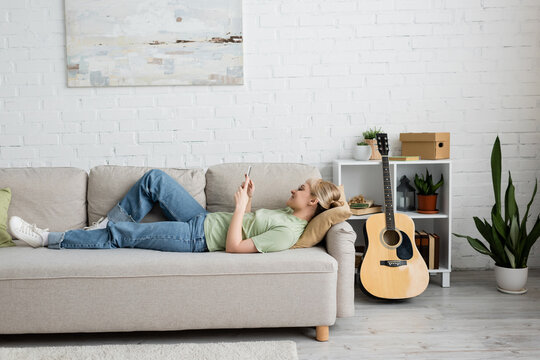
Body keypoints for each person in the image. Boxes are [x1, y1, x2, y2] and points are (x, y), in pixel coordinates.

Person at [9, 169, 343, 253]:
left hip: (197, 238)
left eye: (301, 189)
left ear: (312, 202)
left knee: (126, 235)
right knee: (155, 179)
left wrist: (240, 208)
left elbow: (233, 248)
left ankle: (48, 238)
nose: (293, 189)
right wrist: (249, 202)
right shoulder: (286, 216)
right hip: (202, 218)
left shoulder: (288, 233)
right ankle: (103, 225)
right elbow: (248, 227)